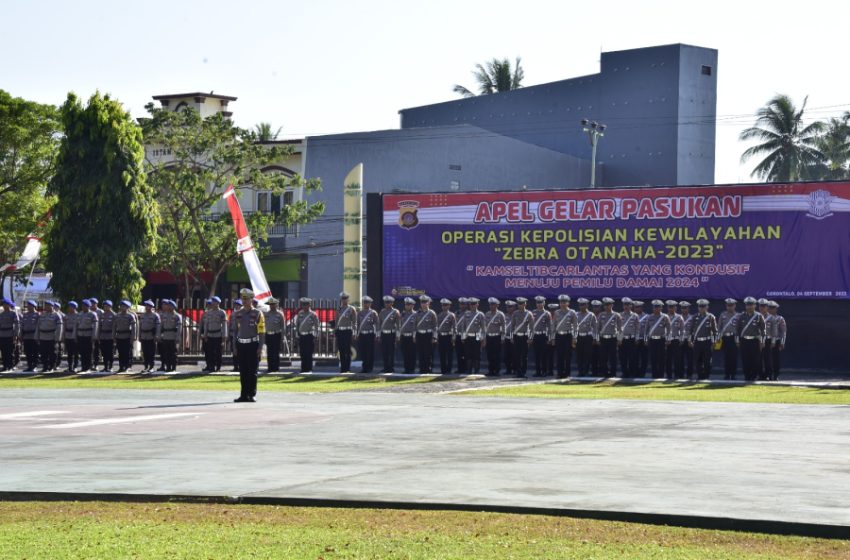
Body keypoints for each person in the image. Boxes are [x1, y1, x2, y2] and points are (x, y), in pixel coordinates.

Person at [231, 288, 265, 402]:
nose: (244, 301)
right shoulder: (237, 314)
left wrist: (260, 347)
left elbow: (261, 332)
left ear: (252, 299)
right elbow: (235, 331)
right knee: (243, 371)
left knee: (252, 371)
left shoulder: (258, 313)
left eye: (247, 299)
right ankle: (243, 395)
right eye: (243, 298)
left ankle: (251, 394)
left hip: (253, 345)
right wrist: (234, 347)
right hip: (241, 345)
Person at [736, 296, 766, 382]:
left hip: (755, 341)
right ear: (745, 306)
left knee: (755, 359)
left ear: (755, 305)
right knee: (745, 359)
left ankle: (753, 376)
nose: (749, 307)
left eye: (751, 305)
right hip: (744, 340)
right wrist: (737, 341)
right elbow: (737, 329)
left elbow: (763, 330)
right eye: (748, 305)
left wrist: (762, 342)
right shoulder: (741, 316)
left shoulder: (759, 316)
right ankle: (747, 376)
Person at [688, 299, 717, 380]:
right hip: (697, 342)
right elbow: (690, 330)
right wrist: (689, 340)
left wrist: (714, 341)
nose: (701, 308)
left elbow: (715, 331)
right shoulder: (694, 317)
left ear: (707, 307)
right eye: (700, 306)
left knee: (707, 361)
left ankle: (706, 376)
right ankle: (700, 376)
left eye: (703, 306)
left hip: (707, 341)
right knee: (697, 360)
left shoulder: (711, 317)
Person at [551, 295, 577, 378]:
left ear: (568, 303)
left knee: (567, 355)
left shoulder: (572, 312)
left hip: (568, 336)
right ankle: (559, 373)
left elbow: (576, 326)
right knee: (559, 355)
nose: (562, 304)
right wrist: (553, 338)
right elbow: (553, 326)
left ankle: (567, 373)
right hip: (559, 335)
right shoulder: (556, 312)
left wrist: (574, 338)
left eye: (564, 302)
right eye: (561, 302)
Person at [201, 296, 228, 372]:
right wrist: (205, 335)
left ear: (218, 303)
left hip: (218, 335)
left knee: (218, 352)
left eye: (214, 302)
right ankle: (211, 367)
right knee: (210, 352)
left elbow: (224, 324)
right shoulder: (208, 313)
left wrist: (224, 335)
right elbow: (206, 324)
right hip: (210, 335)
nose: (212, 303)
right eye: (212, 302)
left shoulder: (222, 312)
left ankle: (218, 367)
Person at [645, 300, 671, 379]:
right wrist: (646, 340)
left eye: (658, 307)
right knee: (653, 358)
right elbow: (646, 329)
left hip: (661, 340)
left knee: (661, 358)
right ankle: (654, 375)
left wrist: (668, 339)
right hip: (652, 340)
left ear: (661, 308)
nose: (656, 308)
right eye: (655, 307)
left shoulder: (665, 317)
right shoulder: (650, 317)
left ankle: (661, 375)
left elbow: (669, 329)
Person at [596, 297, 621, 378]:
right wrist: (597, 339)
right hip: (603, 339)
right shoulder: (600, 315)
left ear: (612, 305)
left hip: (613, 339)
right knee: (603, 357)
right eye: (605, 305)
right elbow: (597, 328)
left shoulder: (616, 315)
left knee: (613, 357)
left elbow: (620, 328)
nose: (606, 306)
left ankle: (613, 373)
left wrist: (619, 339)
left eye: (608, 305)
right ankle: (604, 372)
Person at [36, 301, 63, 372]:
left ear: (52, 306)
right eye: (46, 305)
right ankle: (45, 367)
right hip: (42, 336)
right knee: (43, 353)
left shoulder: (56, 315)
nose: (46, 307)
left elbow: (59, 328)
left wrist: (57, 338)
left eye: (48, 305)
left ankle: (51, 367)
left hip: (52, 336)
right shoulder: (42, 315)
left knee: (52, 353)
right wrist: (37, 337)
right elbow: (38, 326)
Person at [295, 297, 320, 373]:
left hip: (309, 336)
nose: (305, 306)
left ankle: (309, 368)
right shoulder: (300, 313)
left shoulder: (313, 314)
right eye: (303, 305)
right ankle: (303, 368)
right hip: (302, 336)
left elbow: (317, 326)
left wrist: (316, 335)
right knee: (302, 353)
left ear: (309, 305)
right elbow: (297, 324)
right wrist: (297, 333)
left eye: (306, 305)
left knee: (309, 353)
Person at [717, 298, 739, 380]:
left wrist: (738, 340)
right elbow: (719, 327)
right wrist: (718, 338)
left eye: (731, 305)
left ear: (735, 306)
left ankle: (733, 375)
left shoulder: (738, 315)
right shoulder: (723, 315)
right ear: (726, 306)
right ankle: (726, 374)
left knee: (734, 357)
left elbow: (739, 329)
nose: (730, 307)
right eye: (728, 305)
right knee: (726, 357)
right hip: (725, 338)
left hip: (734, 338)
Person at [461, 297, 485, 374]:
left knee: (477, 354)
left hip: (477, 337)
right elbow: (463, 326)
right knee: (468, 354)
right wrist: (463, 337)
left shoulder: (480, 314)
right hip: (468, 337)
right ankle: (469, 370)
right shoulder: (466, 313)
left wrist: (483, 339)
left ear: (477, 304)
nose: (472, 305)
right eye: (471, 304)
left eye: (474, 304)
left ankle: (476, 371)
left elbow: (483, 328)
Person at [483, 297, 506, 377]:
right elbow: (484, 327)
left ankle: (497, 371)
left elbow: (503, 327)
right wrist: (484, 338)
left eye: (493, 305)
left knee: (496, 355)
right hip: (489, 337)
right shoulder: (487, 314)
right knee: (489, 355)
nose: (491, 306)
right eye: (490, 305)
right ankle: (490, 370)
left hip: (497, 337)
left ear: (497, 305)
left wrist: (503, 338)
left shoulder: (500, 314)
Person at [112, 301, 137, 372]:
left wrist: (133, 337)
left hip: (127, 336)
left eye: (124, 306)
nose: (122, 307)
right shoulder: (117, 316)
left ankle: (127, 366)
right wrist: (113, 337)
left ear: (128, 307)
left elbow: (134, 328)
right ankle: (121, 366)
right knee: (120, 352)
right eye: (121, 306)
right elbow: (114, 327)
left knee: (127, 352)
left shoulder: (130, 316)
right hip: (119, 336)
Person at [355, 296, 379, 373]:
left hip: (370, 334)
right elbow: (357, 324)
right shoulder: (360, 313)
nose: (365, 304)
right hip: (362, 335)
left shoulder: (373, 313)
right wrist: (357, 334)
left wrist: (377, 335)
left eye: (367, 303)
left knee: (370, 352)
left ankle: (369, 367)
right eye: (364, 302)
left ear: (370, 304)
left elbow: (377, 324)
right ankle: (364, 367)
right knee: (363, 352)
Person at [415, 295, 437, 374]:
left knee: (428, 353)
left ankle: (428, 369)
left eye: (425, 302)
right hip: (420, 334)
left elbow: (435, 326)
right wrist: (415, 336)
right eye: (422, 302)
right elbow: (415, 325)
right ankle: (422, 369)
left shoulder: (432, 313)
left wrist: (434, 337)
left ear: (428, 303)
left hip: (428, 335)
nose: (423, 304)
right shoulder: (417, 313)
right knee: (421, 353)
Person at [574, 298, 597, 376]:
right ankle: (580, 371)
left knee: (587, 355)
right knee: (579, 355)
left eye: (583, 304)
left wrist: (595, 338)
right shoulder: (576, 315)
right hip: (579, 337)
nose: (582, 306)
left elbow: (595, 328)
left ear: (587, 305)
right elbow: (573, 327)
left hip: (588, 337)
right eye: (580, 305)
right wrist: (573, 338)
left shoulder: (591, 315)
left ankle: (585, 371)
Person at [335, 292, 357, 373]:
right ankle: (343, 368)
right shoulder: (338, 309)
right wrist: (336, 331)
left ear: (348, 299)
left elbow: (354, 322)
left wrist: (354, 333)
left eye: (345, 298)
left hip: (348, 331)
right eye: (343, 298)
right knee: (341, 350)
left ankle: (347, 368)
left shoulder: (351, 309)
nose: (344, 300)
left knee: (347, 350)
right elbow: (337, 321)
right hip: (340, 331)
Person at [378, 296, 401, 373]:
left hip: (391, 334)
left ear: (392, 303)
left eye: (388, 302)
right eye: (385, 302)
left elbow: (398, 325)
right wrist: (379, 335)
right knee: (384, 352)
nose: (387, 304)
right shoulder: (382, 312)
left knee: (391, 352)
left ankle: (391, 368)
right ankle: (385, 367)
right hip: (384, 334)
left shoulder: (395, 312)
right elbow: (379, 324)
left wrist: (398, 335)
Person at [75, 299, 99, 372]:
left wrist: (94, 336)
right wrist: (75, 336)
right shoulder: (79, 314)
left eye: (84, 306)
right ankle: (83, 366)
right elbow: (76, 326)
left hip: (89, 335)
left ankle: (88, 367)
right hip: (80, 335)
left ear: (88, 306)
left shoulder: (93, 314)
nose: (83, 307)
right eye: (82, 306)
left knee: (89, 352)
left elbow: (95, 326)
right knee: (82, 352)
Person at [158, 300, 181, 372]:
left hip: (173, 336)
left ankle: (173, 367)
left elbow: (179, 328)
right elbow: (161, 326)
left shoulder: (177, 316)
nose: (169, 307)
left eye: (170, 306)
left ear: (173, 307)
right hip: (165, 336)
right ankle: (168, 367)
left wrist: (178, 337)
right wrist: (159, 335)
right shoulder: (164, 315)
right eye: (168, 305)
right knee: (166, 352)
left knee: (173, 353)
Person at [138, 300, 161, 373]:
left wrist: (157, 335)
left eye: (148, 306)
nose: (147, 307)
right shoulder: (142, 315)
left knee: (151, 352)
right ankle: (146, 366)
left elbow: (158, 326)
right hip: (144, 336)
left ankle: (151, 366)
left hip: (151, 336)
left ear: (151, 307)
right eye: (146, 306)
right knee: (145, 352)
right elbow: (140, 326)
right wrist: (139, 335)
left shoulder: (155, 316)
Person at [618, 297, 638, 378]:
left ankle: (632, 373)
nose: (626, 306)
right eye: (624, 305)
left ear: (631, 306)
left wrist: (636, 338)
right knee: (623, 358)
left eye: (627, 304)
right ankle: (624, 373)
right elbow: (618, 328)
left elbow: (637, 328)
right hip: (622, 340)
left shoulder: (635, 315)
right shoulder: (620, 315)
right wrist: (619, 339)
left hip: (631, 339)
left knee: (632, 358)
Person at [263, 297, 284, 373]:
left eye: (273, 304)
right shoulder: (266, 314)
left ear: (276, 305)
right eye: (270, 304)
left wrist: (282, 337)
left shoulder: (280, 314)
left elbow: (283, 326)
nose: (271, 306)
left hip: (276, 335)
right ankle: (270, 367)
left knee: (276, 352)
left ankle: (276, 367)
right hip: (268, 335)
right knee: (270, 352)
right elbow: (264, 325)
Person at [436, 298, 456, 374]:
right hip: (441, 336)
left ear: (449, 306)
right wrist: (437, 337)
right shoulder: (439, 315)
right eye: (443, 305)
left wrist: (453, 338)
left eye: (446, 305)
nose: (444, 306)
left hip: (448, 337)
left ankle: (449, 370)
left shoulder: (452, 315)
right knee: (442, 354)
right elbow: (437, 327)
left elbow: (455, 327)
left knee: (449, 355)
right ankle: (443, 370)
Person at [665, 300, 684, 380]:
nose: (671, 309)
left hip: (676, 340)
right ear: (667, 308)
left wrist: (681, 340)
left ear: (675, 308)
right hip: (667, 341)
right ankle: (669, 375)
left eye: (672, 307)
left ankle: (677, 375)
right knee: (668, 359)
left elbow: (682, 329)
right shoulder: (664, 316)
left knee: (677, 359)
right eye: (669, 307)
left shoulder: (679, 317)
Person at [0, 298, 20, 372]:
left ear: (9, 305)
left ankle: (10, 366)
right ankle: (5, 366)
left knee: (10, 352)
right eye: (3, 304)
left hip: (10, 334)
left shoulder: (13, 313)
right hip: (2, 335)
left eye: (6, 304)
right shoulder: (1, 314)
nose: (4, 306)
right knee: (3, 351)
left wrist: (15, 335)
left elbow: (17, 324)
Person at [399, 297, 417, 373]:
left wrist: (414, 336)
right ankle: (406, 369)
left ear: (413, 305)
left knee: (412, 353)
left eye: (409, 304)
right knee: (405, 353)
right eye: (406, 304)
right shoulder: (402, 314)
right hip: (404, 336)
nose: (407, 306)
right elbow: (399, 325)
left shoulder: (416, 314)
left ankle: (412, 369)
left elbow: (416, 326)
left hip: (412, 337)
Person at [20, 300, 40, 372]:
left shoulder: (38, 315)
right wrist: (21, 335)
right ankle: (29, 366)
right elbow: (22, 325)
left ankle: (34, 366)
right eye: (28, 305)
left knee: (35, 352)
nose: (28, 307)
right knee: (27, 352)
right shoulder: (25, 314)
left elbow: (39, 326)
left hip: (34, 336)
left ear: (33, 306)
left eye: (29, 305)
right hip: (26, 336)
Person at [768, 301, 786, 380]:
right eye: (769, 308)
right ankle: (767, 374)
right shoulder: (764, 317)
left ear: (776, 309)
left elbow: (783, 331)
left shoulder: (780, 318)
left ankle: (776, 375)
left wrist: (782, 342)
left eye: (773, 308)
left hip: (777, 341)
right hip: (767, 340)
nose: (771, 310)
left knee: (776, 359)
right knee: (766, 359)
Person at [97, 300, 116, 372]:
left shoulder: (114, 315)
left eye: (107, 306)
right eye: (104, 306)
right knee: (104, 352)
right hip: (103, 335)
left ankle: (110, 366)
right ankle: (105, 366)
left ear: (110, 306)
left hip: (110, 336)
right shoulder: (102, 315)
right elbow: (99, 326)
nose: (105, 307)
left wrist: (114, 337)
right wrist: (98, 336)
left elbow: (115, 327)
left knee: (110, 352)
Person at [679, 301, 695, 379]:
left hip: (689, 341)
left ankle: (689, 375)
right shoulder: (678, 317)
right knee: (679, 359)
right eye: (682, 308)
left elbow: (693, 330)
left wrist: (690, 340)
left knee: (690, 359)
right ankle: (680, 375)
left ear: (688, 308)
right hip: (680, 341)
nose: (684, 309)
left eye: (685, 308)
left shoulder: (692, 318)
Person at [758, 298, 773, 380]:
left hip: (768, 340)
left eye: (764, 306)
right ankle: (760, 375)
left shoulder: (771, 318)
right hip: (758, 340)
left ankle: (768, 375)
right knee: (758, 359)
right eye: (760, 306)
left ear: (767, 307)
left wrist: (773, 341)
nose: (762, 308)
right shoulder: (756, 316)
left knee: (767, 358)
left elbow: (774, 331)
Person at [634, 301, 649, 377]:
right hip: (635, 340)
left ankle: (642, 373)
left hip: (643, 340)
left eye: (638, 307)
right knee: (634, 358)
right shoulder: (632, 316)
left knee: (644, 358)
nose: (636, 309)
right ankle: (635, 373)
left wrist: (646, 340)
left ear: (641, 308)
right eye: (635, 307)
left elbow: (648, 329)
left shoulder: (647, 317)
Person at [62, 301, 79, 373]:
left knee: (75, 353)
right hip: (68, 336)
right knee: (69, 353)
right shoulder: (67, 315)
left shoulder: (78, 315)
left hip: (75, 336)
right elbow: (64, 326)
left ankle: (75, 366)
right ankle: (69, 367)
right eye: (69, 306)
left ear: (74, 307)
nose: (69, 308)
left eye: (70, 306)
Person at [453, 297, 468, 373]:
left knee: (465, 353)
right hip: (458, 335)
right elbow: (454, 324)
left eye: (463, 304)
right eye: (460, 304)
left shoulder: (469, 313)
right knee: (459, 353)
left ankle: (466, 368)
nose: (462, 305)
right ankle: (460, 368)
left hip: (465, 336)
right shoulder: (456, 313)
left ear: (466, 305)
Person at [502, 300, 517, 376]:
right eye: (507, 307)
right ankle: (508, 369)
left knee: (515, 355)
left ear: (514, 307)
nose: (509, 308)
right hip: (506, 338)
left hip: (514, 338)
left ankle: (515, 369)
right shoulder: (504, 316)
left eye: (510, 307)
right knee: (506, 355)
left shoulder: (517, 315)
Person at [89, 298, 104, 368]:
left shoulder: (100, 312)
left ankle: (96, 364)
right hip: (89, 333)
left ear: (96, 304)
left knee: (96, 350)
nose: (91, 305)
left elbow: (102, 324)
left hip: (98, 333)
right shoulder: (88, 312)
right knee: (89, 350)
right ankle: (90, 364)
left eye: (92, 303)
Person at [229, 299, 243, 372]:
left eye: (239, 305)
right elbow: (229, 324)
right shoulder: (232, 314)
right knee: (234, 351)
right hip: (233, 334)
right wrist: (228, 334)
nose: (237, 306)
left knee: (241, 351)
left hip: (241, 335)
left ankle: (241, 366)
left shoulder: (243, 314)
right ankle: (235, 366)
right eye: (236, 305)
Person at [590, 300, 602, 375]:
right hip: (591, 339)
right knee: (592, 356)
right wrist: (594, 338)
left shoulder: (603, 315)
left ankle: (601, 371)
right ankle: (594, 371)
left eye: (597, 307)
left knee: (601, 356)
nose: (595, 308)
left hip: (601, 339)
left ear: (600, 308)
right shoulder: (590, 315)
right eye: (594, 307)